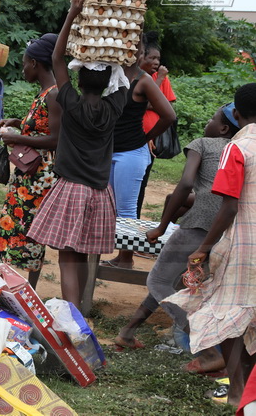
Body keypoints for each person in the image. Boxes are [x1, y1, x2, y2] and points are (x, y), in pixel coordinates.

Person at [112, 104, 239, 376]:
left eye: (212, 118)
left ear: (224, 127)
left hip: (198, 224)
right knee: (171, 280)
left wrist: (161, 226)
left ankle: (206, 351)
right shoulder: (238, 149)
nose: (208, 120)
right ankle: (127, 332)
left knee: (158, 281)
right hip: (225, 230)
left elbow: (184, 185)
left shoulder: (203, 144)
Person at [26, 0, 128, 309]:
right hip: (100, 192)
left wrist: (72, 13)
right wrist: (123, 34)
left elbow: (57, 59)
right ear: (110, 81)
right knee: (83, 254)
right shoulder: (115, 106)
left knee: (67, 257)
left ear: (79, 78)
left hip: (71, 189)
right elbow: (131, 70)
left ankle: (73, 316)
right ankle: (80, 311)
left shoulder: (68, 100)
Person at [164, 83, 256, 407]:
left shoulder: (238, 148)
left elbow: (229, 208)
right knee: (250, 317)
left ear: (238, 114)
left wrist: (203, 247)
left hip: (243, 245)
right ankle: (247, 393)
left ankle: (236, 393)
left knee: (225, 316)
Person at [100, 36, 175, 269]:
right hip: (110, 150)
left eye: (139, 51)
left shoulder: (143, 81)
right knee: (110, 206)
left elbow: (169, 115)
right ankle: (117, 256)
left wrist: (146, 138)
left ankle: (126, 259)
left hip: (131, 154)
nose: (136, 54)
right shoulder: (113, 74)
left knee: (126, 208)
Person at [0, 33, 61, 289]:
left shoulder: (54, 94)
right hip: (28, 174)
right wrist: (17, 124)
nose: (22, 69)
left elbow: (55, 139)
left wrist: (18, 137)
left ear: (35, 63)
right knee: (14, 225)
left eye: (24, 63)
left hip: (37, 177)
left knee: (30, 231)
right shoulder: (45, 93)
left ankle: (25, 289)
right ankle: (9, 284)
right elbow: (41, 128)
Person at [136, 31, 177, 218]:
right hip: (135, 136)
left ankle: (133, 218)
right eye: (151, 57)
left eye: (158, 58)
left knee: (142, 181)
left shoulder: (161, 78)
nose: (156, 62)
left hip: (151, 138)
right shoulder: (137, 77)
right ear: (140, 56)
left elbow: (167, 105)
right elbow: (142, 103)